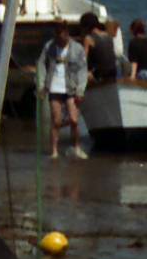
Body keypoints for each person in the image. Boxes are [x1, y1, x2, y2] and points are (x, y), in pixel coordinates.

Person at [39, 25, 89, 159]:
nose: (60, 40)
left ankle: (76, 148)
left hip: (71, 88)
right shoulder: (49, 46)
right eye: (57, 36)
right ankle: (54, 151)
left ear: (67, 34)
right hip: (54, 87)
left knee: (74, 120)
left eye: (62, 36)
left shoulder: (77, 49)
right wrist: (41, 85)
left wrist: (81, 90)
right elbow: (41, 64)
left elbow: (83, 70)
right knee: (56, 121)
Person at [81, 12, 119, 84]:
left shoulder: (88, 38)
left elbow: (83, 60)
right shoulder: (108, 35)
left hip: (99, 75)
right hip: (112, 73)